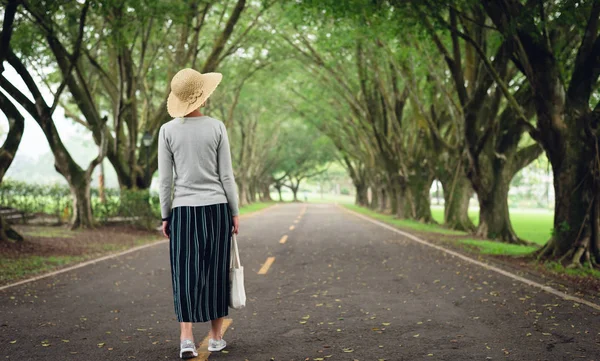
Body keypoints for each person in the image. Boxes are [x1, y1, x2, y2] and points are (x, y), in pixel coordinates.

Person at [158, 68, 240, 359]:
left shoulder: (167, 131)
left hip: (183, 212)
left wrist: (166, 216)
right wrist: (234, 211)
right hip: (217, 209)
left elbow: (165, 181)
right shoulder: (217, 127)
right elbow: (226, 176)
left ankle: (186, 339)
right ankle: (216, 337)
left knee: (185, 273)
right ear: (202, 97)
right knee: (216, 271)